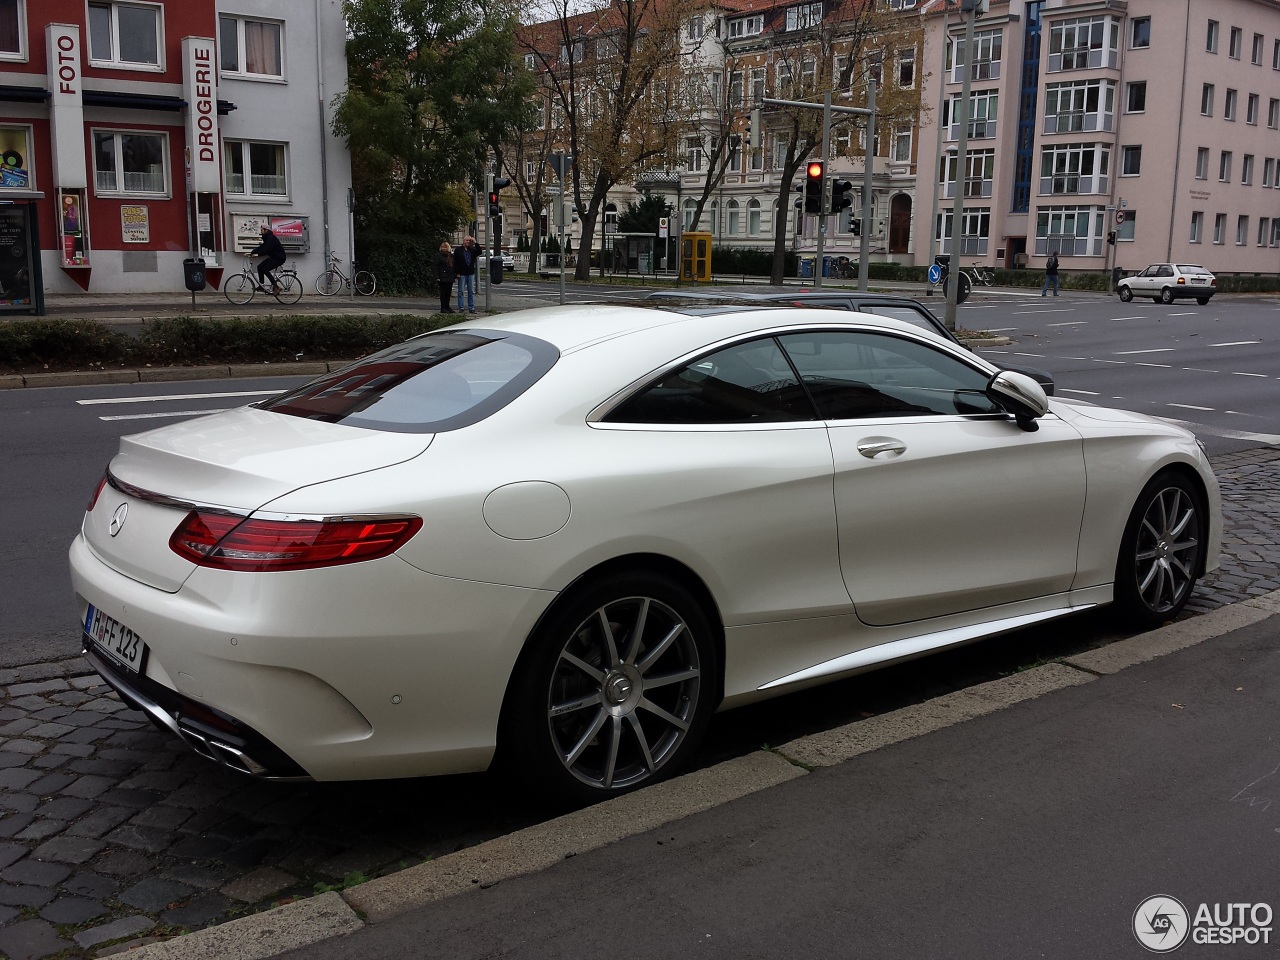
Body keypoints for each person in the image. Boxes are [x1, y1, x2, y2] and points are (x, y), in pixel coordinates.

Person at [249, 224, 287, 294]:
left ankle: (276, 287)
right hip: (274, 257)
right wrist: (252, 252)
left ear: (266, 230)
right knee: (260, 267)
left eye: (262, 230)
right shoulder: (267, 238)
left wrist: (258, 254)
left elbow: (267, 249)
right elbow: (262, 247)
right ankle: (261, 285)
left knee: (265, 269)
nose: (261, 231)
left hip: (279, 258)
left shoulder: (271, 238)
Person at [454, 236, 480, 313]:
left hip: (470, 273)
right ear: (463, 241)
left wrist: (475, 242)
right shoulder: (458, 250)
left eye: (469, 241)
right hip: (462, 273)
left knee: (471, 291)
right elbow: (456, 262)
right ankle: (461, 307)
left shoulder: (472, 250)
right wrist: (457, 273)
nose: (468, 242)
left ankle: (471, 307)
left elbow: (479, 252)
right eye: (466, 240)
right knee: (460, 291)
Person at [435, 241, 455, 314]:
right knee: (443, 293)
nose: (444, 248)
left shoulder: (451, 256)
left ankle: (447, 306)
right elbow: (436, 267)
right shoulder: (439, 256)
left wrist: (454, 275)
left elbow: (453, 265)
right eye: (443, 247)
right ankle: (443, 307)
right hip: (442, 277)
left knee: (448, 293)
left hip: (450, 276)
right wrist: (437, 277)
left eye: (445, 247)